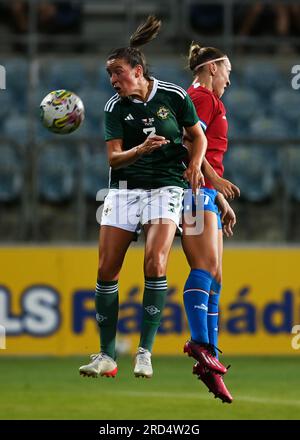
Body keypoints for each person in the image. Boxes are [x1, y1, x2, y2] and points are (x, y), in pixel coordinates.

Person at [79, 16, 207, 379]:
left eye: (117, 72)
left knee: (155, 262)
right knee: (106, 270)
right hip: (124, 189)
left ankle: (145, 352)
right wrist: (141, 149)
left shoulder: (174, 96)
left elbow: (198, 137)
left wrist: (195, 165)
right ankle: (106, 355)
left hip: (167, 187)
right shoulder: (114, 108)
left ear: (138, 70)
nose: (113, 80)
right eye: (109, 74)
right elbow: (114, 157)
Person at [181, 42, 240, 403]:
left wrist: (218, 197)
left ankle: (211, 357)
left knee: (215, 273)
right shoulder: (202, 97)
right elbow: (190, 141)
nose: (229, 82)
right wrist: (213, 183)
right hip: (192, 189)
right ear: (213, 68)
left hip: (204, 191)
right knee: (204, 266)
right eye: (228, 73)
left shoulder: (202, 97)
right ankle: (200, 345)